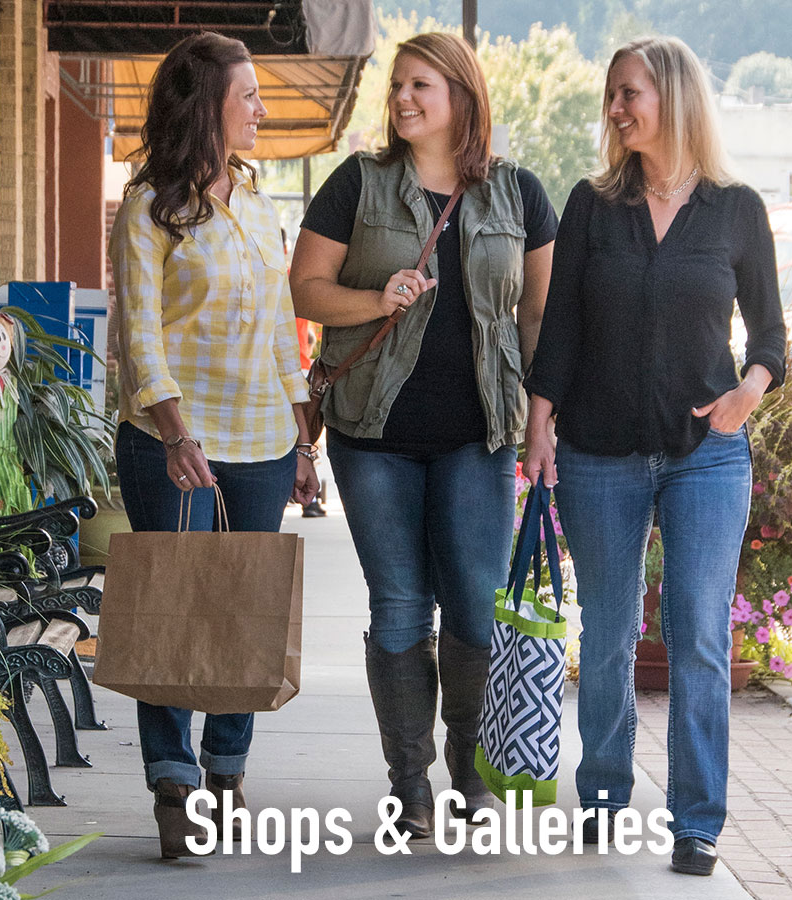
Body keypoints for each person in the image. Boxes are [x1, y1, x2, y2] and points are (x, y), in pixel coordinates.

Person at [523, 36, 786, 875]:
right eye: (613, 95)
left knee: (701, 635)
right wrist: (539, 426)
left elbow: (773, 335)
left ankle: (696, 820)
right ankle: (603, 791)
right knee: (605, 633)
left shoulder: (737, 208)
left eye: (629, 93)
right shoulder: (593, 205)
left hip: (707, 455)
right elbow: (560, 327)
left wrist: (750, 390)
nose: (616, 107)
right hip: (598, 451)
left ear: (671, 96)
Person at [290, 32, 556, 837]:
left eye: (420, 86)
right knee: (401, 603)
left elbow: (539, 315)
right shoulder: (357, 184)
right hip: (374, 435)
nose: (403, 98)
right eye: (397, 86)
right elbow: (305, 288)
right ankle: (408, 781)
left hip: (482, 435)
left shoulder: (520, 193)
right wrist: (376, 301)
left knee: (475, 605)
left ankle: (467, 770)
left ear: (462, 96)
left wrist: (543, 422)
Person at [108, 31, 319, 859]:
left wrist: (302, 440)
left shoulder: (260, 203)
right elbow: (141, 336)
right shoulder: (150, 208)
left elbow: (279, 329)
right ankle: (173, 783)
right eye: (250, 96)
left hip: (260, 440)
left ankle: (227, 767)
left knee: (242, 608)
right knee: (172, 601)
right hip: (172, 443)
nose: (262, 108)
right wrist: (174, 430)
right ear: (208, 108)